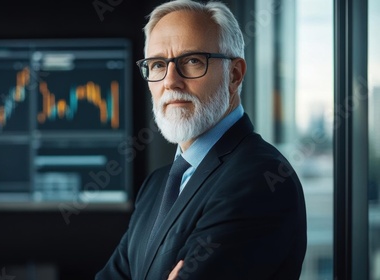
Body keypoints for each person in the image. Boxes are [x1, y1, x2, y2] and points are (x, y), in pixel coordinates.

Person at [96, 0, 307, 279]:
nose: (171, 81)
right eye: (158, 65)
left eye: (192, 61)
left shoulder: (260, 179)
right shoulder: (157, 185)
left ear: (234, 75)